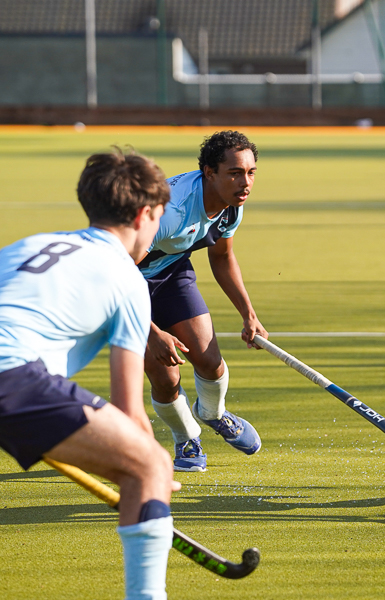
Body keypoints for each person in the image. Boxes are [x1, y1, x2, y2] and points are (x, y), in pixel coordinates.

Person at [0, 149, 177, 598]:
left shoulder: (28, 245)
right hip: (12, 377)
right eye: (159, 218)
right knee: (150, 463)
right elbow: (130, 413)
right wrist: (148, 476)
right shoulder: (127, 279)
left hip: (14, 381)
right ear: (144, 215)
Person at [139, 131, 267, 473]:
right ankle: (186, 436)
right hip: (122, 284)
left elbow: (222, 257)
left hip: (170, 272)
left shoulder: (230, 206)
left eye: (251, 172)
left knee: (209, 360)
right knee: (165, 379)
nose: (245, 182)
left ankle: (213, 413)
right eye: (235, 173)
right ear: (209, 172)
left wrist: (248, 314)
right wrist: (151, 332)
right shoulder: (168, 212)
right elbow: (113, 273)